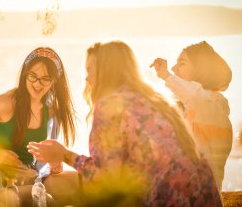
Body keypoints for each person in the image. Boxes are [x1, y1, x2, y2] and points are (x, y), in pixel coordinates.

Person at [28, 41, 222, 206]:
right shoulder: (157, 101)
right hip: (206, 197)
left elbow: (109, 180)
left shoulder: (111, 106)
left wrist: (64, 154)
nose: (86, 77)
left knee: (70, 189)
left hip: (167, 198)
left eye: (90, 70)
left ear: (106, 70)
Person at [0, 47, 79, 205]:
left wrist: (53, 162)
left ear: (54, 81)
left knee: (76, 182)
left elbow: (42, 161)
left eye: (46, 79)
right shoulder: (6, 103)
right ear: (25, 74)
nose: (38, 84)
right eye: (33, 76)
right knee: (48, 201)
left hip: (28, 179)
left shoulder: (51, 110)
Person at [150, 40, 233, 189]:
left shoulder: (214, 104)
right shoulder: (186, 107)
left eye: (181, 64)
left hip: (202, 195)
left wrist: (166, 75)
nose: (174, 68)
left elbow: (196, 96)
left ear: (201, 70)